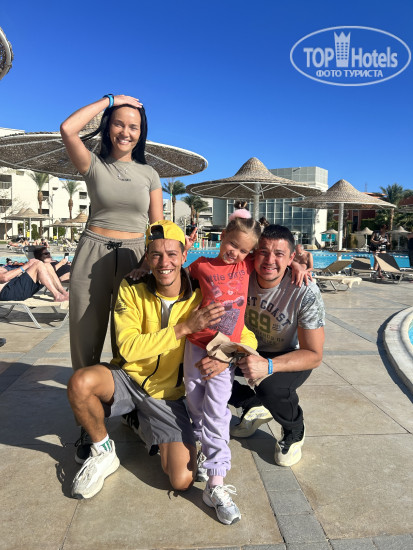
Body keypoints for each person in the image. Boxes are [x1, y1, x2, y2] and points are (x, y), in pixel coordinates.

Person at [66, 220, 225, 500]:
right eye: (156, 255)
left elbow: (242, 330)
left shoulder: (201, 293)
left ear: (184, 255)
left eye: (172, 254)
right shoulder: (132, 286)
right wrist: (183, 328)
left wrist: (226, 359)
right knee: (81, 383)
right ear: (147, 258)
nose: (164, 262)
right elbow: (127, 348)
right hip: (128, 378)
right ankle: (103, 451)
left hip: (167, 396)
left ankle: (138, 420)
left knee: (182, 480)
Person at [197, 224, 325, 468]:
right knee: (198, 369)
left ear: (291, 258)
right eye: (263, 252)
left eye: (279, 254)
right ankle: (251, 403)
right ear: (254, 254)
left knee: (270, 387)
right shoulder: (240, 274)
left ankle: (294, 427)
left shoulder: (304, 291)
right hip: (243, 347)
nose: (269, 260)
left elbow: (314, 355)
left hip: (286, 354)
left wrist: (269, 366)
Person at [60, 94, 164, 373]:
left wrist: (148, 262)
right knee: (84, 335)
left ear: (141, 133)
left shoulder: (150, 174)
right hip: (92, 254)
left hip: (135, 258)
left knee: (129, 335)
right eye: (119, 124)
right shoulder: (93, 164)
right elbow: (68, 129)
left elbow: (157, 227)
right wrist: (110, 100)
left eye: (133, 127)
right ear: (107, 127)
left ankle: (124, 393)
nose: (125, 132)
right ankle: (84, 392)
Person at [184, 209, 261, 525]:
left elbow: (275, 260)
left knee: (216, 410)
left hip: (224, 348)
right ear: (223, 236)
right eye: (232, 245)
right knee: (193, 400)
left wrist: (298, 262)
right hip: (195, 343)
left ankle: (216, 481)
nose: (236, 253)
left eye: (243, 250)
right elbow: (173, 277)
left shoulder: (247, 265)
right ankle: (203, 446)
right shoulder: (201, 265)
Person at [0, 258, 69, 302]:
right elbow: (4, 278)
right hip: (9, 292)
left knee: (47, 265)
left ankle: (63, 292)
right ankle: (57, 295)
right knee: (38, 264)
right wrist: (27, 265)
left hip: (16, 287)